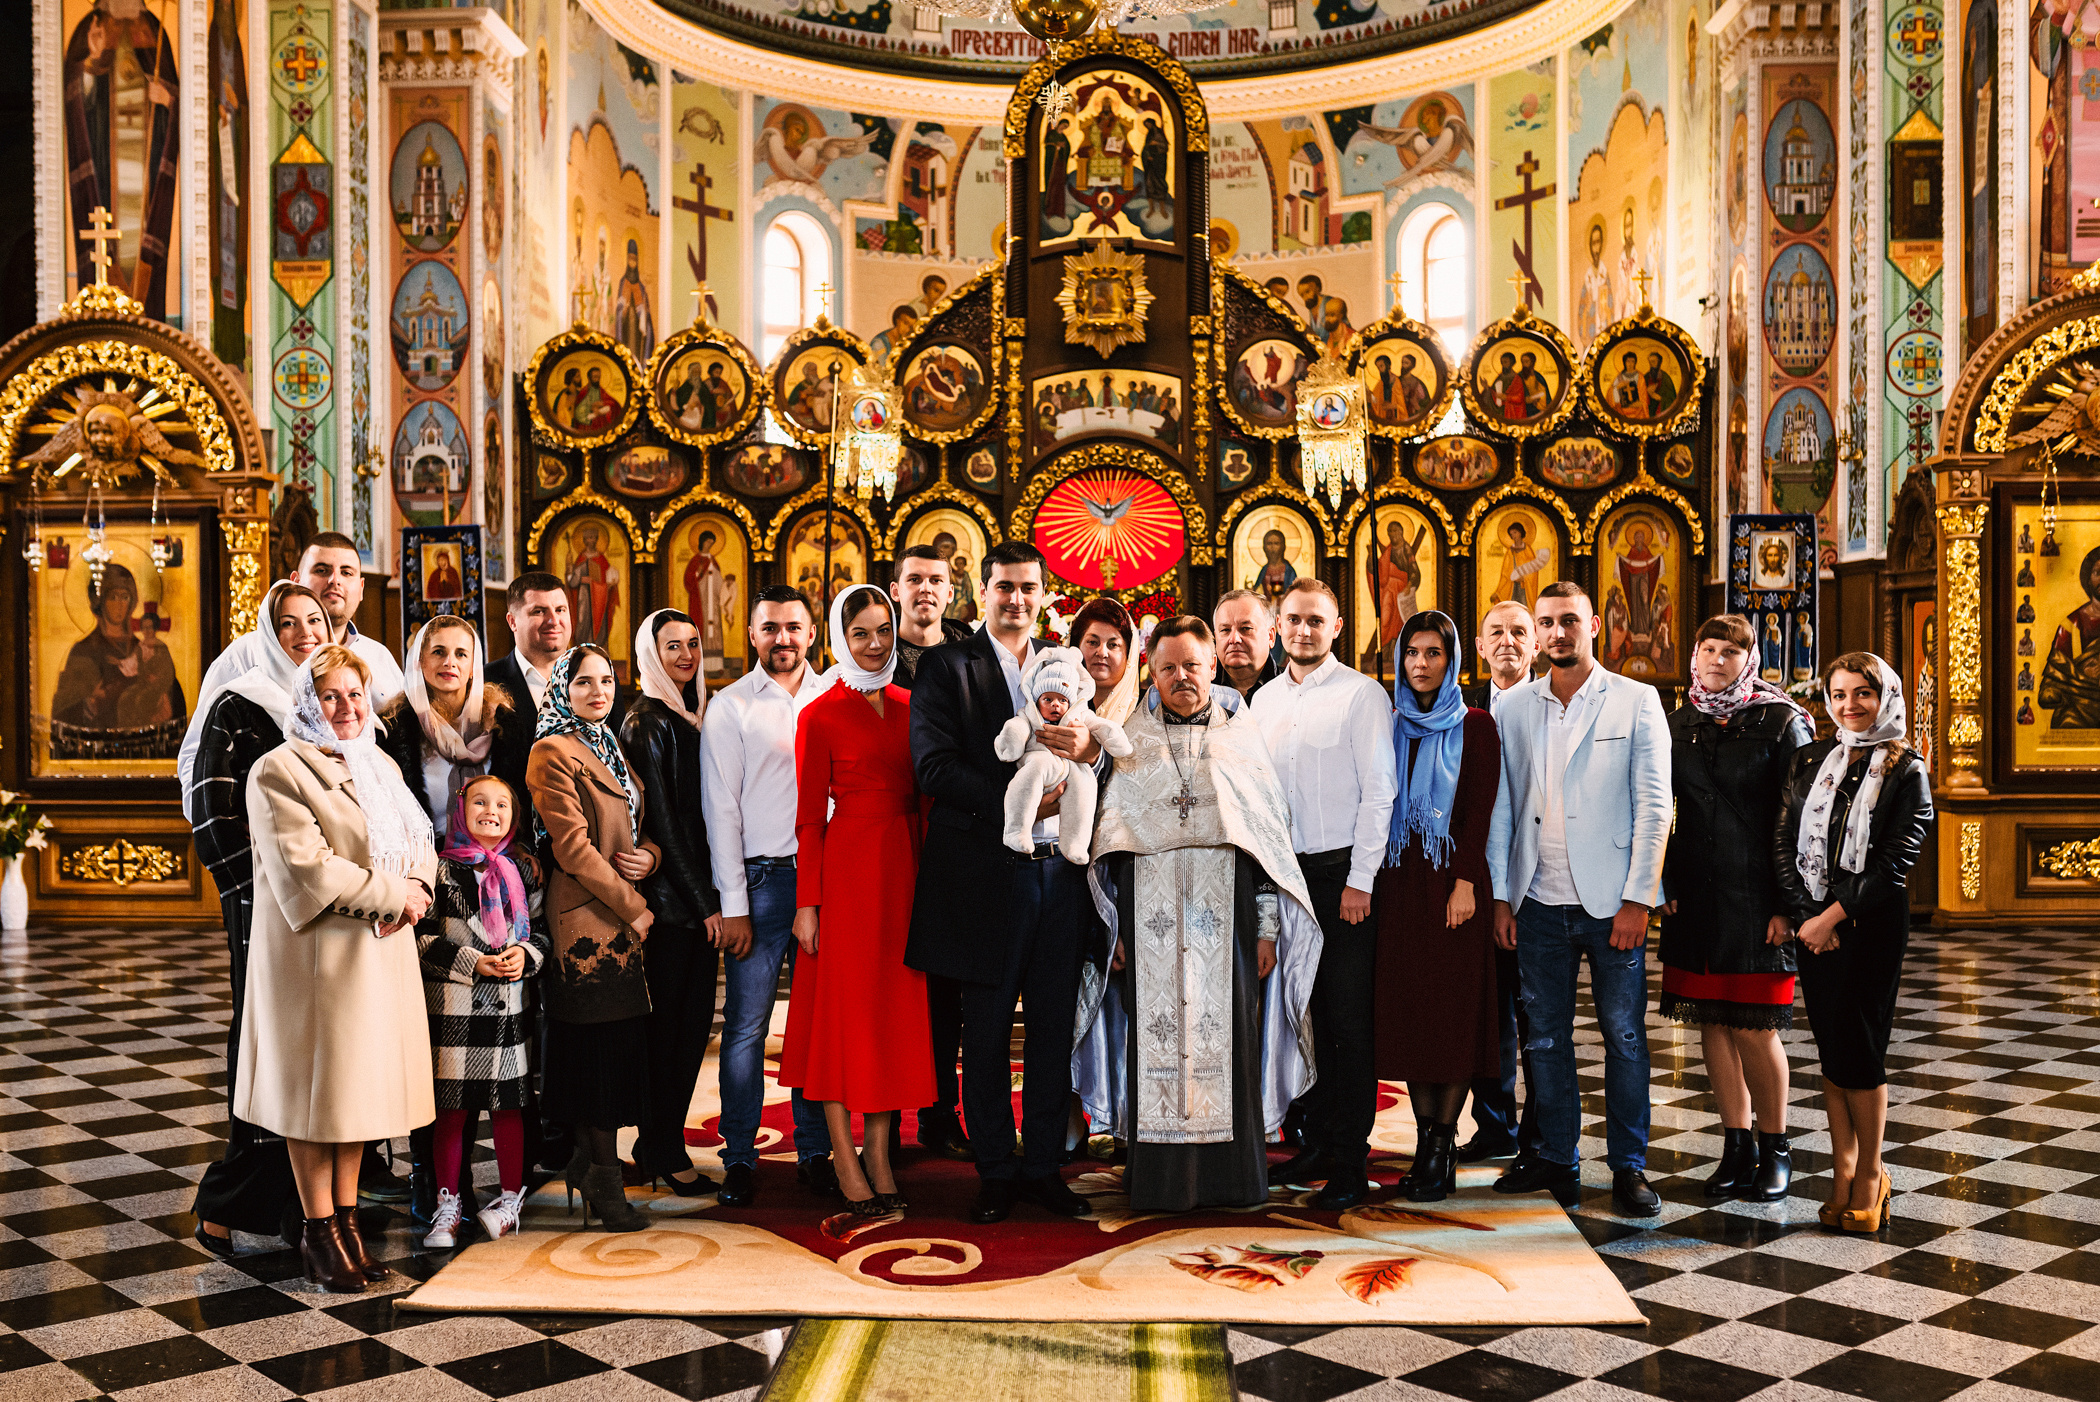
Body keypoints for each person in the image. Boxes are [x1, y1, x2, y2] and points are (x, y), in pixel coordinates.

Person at [1081, 617, 1321, 1210]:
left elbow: (1267, 846)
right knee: (1153, 1038)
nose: (1181, 677)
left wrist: (1267, 930)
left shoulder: (1242, 738)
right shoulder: (1128, 742)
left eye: (1192, 665)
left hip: (1230, 924)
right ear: (1152, 672)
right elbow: (1105, 853)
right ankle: (1160, 1183)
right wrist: (1110, 930)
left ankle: (1231, 1181)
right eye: (1168, 668)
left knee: (1231, 1040)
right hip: (1148, 924)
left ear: (1212, 666)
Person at [907, 542, 1101, 1224]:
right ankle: (994, 1169)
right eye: (1004, 587)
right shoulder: (947, 666)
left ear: (1042, 593)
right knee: (984, 1033)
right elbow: (933, 769)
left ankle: (1043, 1166)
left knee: (1053, 1028)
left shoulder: (1064, 664)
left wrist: (1089, 755)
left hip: (1059, 879)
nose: (1016, 599)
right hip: (981, 878)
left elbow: (1094, 747)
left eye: (1028, 588)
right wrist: (1019, 800)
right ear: (980, 591)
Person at [237, 646, 436, 1292]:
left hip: (379, 956)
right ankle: (319, 1234)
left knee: (358, 1101)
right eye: (332, 696)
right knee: (316, 1102)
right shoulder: (278, 770)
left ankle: (348, 1226)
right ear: (306, 701)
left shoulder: (375, 762)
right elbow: (309, 868)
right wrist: (393, 896)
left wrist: (421, 891)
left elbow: (418, 840)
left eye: (357, 694)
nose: (347, 708)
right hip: (320, 963)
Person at [1486, 582, 1670, 1217]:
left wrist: (1639, 899)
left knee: (1622, 1036)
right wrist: (1503, 898)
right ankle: (1559, 1161)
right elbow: (1503, 809)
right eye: (1546, 623)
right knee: (1543, 1039)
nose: (1557, 633)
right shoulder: (1514, 708)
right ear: (1535, 632)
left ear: (1595, 623)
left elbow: (1654, 808)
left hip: (1610, 903)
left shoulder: (1636, 701)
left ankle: (1630, 1167)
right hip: (1537, 900)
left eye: (1569, 620)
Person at [186, 582, 330, 1258]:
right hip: (265, 910)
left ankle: (317, 1207)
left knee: (325, 1055)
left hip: (335, 911)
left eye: (317, 621)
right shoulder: (239, 704)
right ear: (269, 633)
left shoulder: (334, 704)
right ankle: (233, 1199)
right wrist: (266, 898)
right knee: (268, 1048)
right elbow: (213, 811)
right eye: (290, 623)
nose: (305, 632)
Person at [782, 588, 935, 1214]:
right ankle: (843, 1156)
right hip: (844, 875)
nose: (875, 644)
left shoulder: (912, 705)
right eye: (861, 633)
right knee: (841, 1022)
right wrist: (807, 903)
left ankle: (880, 1149)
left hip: (906, 871)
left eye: (882, 630)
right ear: (841, 639)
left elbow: (929, 798)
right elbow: (808, 820)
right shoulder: (819, 714)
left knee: (891, 1019)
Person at [1252, 581, 1398, 1208]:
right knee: (1298, 1013)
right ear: (1278, 627)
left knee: (1345, 1022)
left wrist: (1362, 880)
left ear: (1336, 626)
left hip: (1343, 880)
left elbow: (1380, 792)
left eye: (1316, 620)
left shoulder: (1362, 695)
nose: (1303, 630)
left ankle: (1348, 1158)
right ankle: (1311, 1139)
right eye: (1292, 620)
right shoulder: (1261, 702)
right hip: (1284, 878)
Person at [1775, 653, 1932, 1234]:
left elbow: (1894, 864)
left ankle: (1871, 1173)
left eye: (1863, 693)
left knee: (1861, 1051)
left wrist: (1831, 917)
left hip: (1869, 928)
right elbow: (1784, 843)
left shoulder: (1907, 770)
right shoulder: (1811, 759)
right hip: (1816, 925)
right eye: (1839, 695)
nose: (1850, 705)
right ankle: (1842, 1171)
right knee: (1833, 1050)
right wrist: (1806, 914)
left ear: (1885, 696)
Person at [1660, 616, 1814, 1202]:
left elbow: (1798, 818)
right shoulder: (1679, 723)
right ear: (1694, 656)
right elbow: (1662, 807)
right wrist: (1665, 881)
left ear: (1748, 659)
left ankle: (1776, 1148)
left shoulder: (1781, 721)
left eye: (1730, 651)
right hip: (1696, 896)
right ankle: (1736, 1145)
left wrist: (1787, 904)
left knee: (1755, 1028)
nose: (1717, 660)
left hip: (1758, 898)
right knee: (1713, 1024)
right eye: (1707, 649)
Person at [700, 588, 837, 1207]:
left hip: (828, 879)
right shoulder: (730, 707)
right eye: (769, 628)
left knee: (814, 1025)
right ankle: (739, 1156)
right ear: (751, 635)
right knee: (747, 1028)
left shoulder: (836, 695)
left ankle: (815, 1151)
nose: (782, 639)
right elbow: (720, 808)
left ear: (811, 633)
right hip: (759, 882)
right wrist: (733, 901)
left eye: (794, 628)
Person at [526, 645, 661, 1232]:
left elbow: (637, 824)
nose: (598, 692)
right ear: (563, 689)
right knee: (596, 1051)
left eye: (606, 681)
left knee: (611, 1046)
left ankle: (588, 1163)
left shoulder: (610, 745)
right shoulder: (550, 751)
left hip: (620, 916)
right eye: (583, 683)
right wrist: (634, 907)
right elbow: (572, 847)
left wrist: (650, 859)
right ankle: (603, 1180)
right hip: (585, 919)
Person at [1369, 612, 1503, 1201]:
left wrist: (1467, 882)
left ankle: (1441, 1145)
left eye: (1433, 653)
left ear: (1451, 660)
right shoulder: (1389, 723)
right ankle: (1427, 1142)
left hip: (1453, 887)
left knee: (1449, 1017)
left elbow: (1479, 810)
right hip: (1399, 887)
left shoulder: (1476, 725)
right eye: (1412, 653)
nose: (1420, 664)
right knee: (1412, 1018)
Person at [415, 777, 547, 1248]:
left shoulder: (522, 871)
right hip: (454, 1010)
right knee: (452, 1110)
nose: (492, 810)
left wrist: (526, 956)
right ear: (461, 810)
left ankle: (511, 1200)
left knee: (508, 1107)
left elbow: (542, 935)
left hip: (508, 1010)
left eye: (502, 804)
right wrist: (474, 962)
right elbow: (422, 939)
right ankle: (447, 1204)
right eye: (480, 802)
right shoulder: (439, 870)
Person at [179, 534, 405, 809]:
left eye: (346, 573)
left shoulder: (378, 658)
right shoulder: (242, 656)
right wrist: (218, 830)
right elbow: (198, 757)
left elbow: (398, 745)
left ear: (360, 588)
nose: (334, 581)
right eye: (321, 570)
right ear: (296, 581)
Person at [620, 610, 724, 1196]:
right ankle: (658, 1144)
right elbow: (665, 820)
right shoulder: (647, 720)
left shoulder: (693, 713)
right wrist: (705, 901)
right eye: (672, 646)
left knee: (690, 1030)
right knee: (669, 1033)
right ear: (650, 653)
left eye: (692, 644)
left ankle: (661, 1140)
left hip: (694, 896)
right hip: (671, 906)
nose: (685, 654)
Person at [1458, 600, 1541, 1164]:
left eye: (1519, 632)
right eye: (1496, 633)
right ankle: (1493, 1124)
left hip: (1539, 882)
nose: (1507, 641)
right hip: (1478, 883)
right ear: (1481, 648)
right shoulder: (1459, 711)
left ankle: (1540, 1133)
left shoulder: (1549, 706)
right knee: (1485, 1009)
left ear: (1535, 646)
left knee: (1537, 1015)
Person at [378, 616, 534, 832]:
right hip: (426, 857)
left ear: (473, 667)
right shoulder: (394, 726)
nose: (449, 662)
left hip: (494, 852)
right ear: (420, 660)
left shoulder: (503, 722)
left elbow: (521, 798)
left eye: (461, 654)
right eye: (438, 652)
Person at [890, 544, 972, 688]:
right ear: (895, 591)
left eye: (936, 580)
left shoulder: (972, 655)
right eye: (915, 579)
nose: (926, 589)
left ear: (950, 593)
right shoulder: (876, 653)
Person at [1213, 588, 1280, 701]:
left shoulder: (1295, 690)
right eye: (1225, 630)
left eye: (1246, 628)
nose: (1234, 639)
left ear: (1271, 636)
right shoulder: (1201, 691)